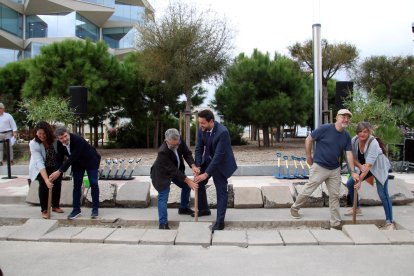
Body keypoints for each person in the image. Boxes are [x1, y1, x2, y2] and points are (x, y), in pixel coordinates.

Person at [290, 109, 359, 230]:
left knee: (334, 196)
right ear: (337, 117)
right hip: (319, 167)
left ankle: (336, 223)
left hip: (334, 169)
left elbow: (349, 154)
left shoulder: (346, 136)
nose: (346, 119)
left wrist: (352, 171)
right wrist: (308, 156)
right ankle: (295, 208)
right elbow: (309, 139)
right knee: (308, 189)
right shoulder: (325, 128)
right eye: (343, 116)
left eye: (348, 117)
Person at [344, 121, 395, 230]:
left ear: (369, 132)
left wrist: (360, 179)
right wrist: (359, 167)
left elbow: (369, 166)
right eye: (360, 132)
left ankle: (390, 222)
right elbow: (352, 157)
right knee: (350, 183)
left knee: (383, 193)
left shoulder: (373, 143)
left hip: (379, 168)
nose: (362, 134)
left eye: (365, 132)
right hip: (365, 167)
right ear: (357, 132)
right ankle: (356, 208)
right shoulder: (354, 141)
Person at [194, 109, 238, 232]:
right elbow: (198, 149)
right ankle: (203, 209)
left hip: (221, 164)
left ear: (211, 121)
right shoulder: (202, 129)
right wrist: (198, 166)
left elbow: (218, 156)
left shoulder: (222, 132)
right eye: (199, 123)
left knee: (221, 191)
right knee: (199, 182)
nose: (200, 126)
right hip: (207, 160)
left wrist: (206, 174)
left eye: (203, 123)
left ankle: (220, 221)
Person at [49, 126, 101, 220]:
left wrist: (60, 171)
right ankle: (76, 209)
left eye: (65, 136)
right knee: (76, 185)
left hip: (90, 160)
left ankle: (95, 209)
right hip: (77, 164)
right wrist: (55, 173)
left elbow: (73, 157)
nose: (64, 139)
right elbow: (59, 159)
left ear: (68, 133)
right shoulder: (59, 144)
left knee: (93, 183)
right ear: (58, 138)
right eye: (61, 138)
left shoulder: (78, 139)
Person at [151, 128, 199, 229]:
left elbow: (187, 153)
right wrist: (188, 180)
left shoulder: (179, 140)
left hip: (176, 171)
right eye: (173, 145)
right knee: (163, 196)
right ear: (166, 141)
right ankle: (163, 223)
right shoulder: (162, 152)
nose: (176, 146)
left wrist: (193, 165)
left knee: (186, 187)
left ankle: (184, 208)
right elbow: (172, 170)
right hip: (162, 174)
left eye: (177, 144)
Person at [28, 121, 64, 219]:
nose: (42, 136)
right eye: (39, 133)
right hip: (40, 167)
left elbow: (61, 154)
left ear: (48, 132)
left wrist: (59, 169)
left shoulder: (55, 140)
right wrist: (46, 179)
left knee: (57, 183)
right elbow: (39, 163)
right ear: (36, 132)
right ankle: (44, 209)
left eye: (44, 133)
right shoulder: (33, 143)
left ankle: (55, 205)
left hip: (54, 165)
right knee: (44, 185)